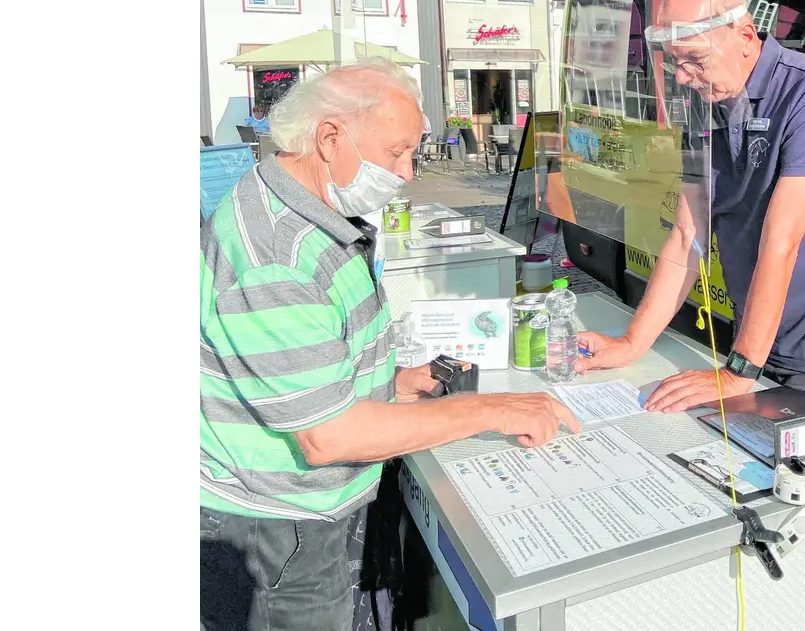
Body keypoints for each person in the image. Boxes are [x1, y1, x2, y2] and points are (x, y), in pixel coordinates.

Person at [200, 58, 579, 631]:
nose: (406, 173)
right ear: (330, 138)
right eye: (396, 151)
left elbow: (309, 362)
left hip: (306, 512)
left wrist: (392, 382)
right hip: (275, 532)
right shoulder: (276, 254)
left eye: (413, 155)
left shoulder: (313, 207)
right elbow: (330, 435)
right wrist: (491, 408)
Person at [574, 0, 805, 410]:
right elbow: (687, 237)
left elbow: (782, 242)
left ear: (744, 35)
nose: (683, 78)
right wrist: (631, 342)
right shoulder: (703, 105)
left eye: (695, 60)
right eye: (675, 63)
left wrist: (737, 372)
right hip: (753, 338)